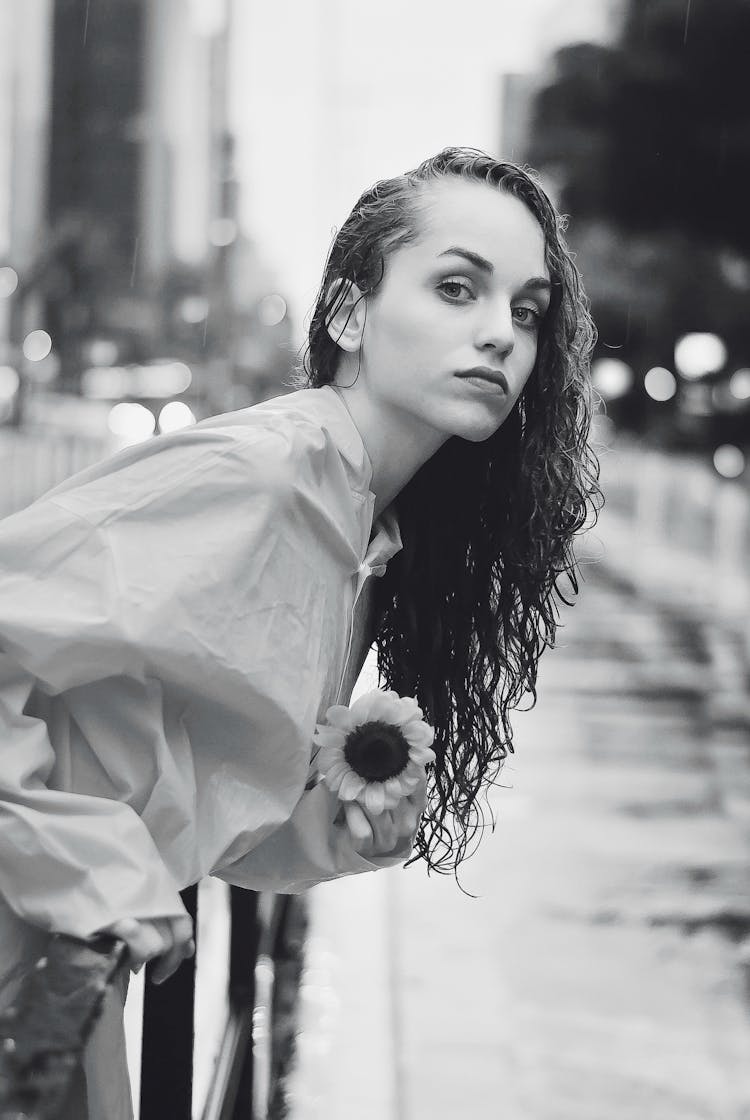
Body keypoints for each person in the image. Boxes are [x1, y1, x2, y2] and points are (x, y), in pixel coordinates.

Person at [0, 146, 600, 1118]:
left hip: (67, 965)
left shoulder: (364, 532)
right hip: (42, 953)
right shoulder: (267, 476)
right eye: (458, 288)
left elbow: (201, 787)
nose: (501, 335)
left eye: (526, 312)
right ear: (348, 314)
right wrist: (93, 873)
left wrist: (343, 833)